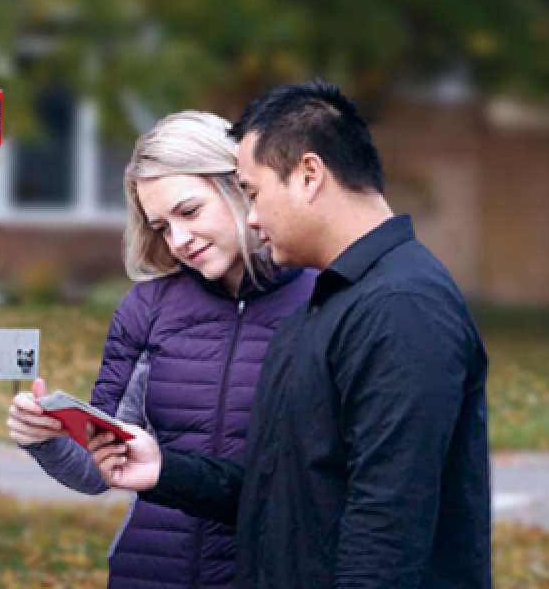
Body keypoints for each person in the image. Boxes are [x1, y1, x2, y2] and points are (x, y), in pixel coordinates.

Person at [88, 81, 491, 588]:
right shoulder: (327, 307)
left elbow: (386, 529)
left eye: (252, 193)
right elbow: (278, 494)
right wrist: (165, 471)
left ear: (308, 176)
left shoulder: (401, 307)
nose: (251, 217)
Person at [6, 111, 315, 588]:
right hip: (149, 575)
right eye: (162, 226)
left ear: (240, 186)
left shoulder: (326, 303)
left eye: (189, 212)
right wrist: (44, 436)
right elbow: (99, 468)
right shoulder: (148, 309)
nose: (179, 241)